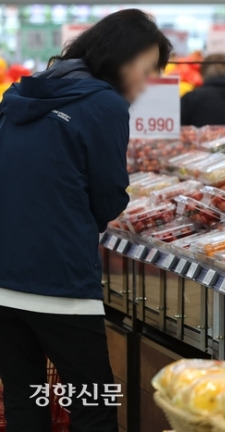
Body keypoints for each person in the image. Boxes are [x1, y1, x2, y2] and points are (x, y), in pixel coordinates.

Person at [0, 9, 171, 432]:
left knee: (26, 403)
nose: (146, 84)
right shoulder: (104, 105)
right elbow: (109, 196)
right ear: (121, 58)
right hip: (60, 283)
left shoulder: (19, 96)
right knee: (92, 405)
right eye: (146, 70)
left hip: (4, 278)